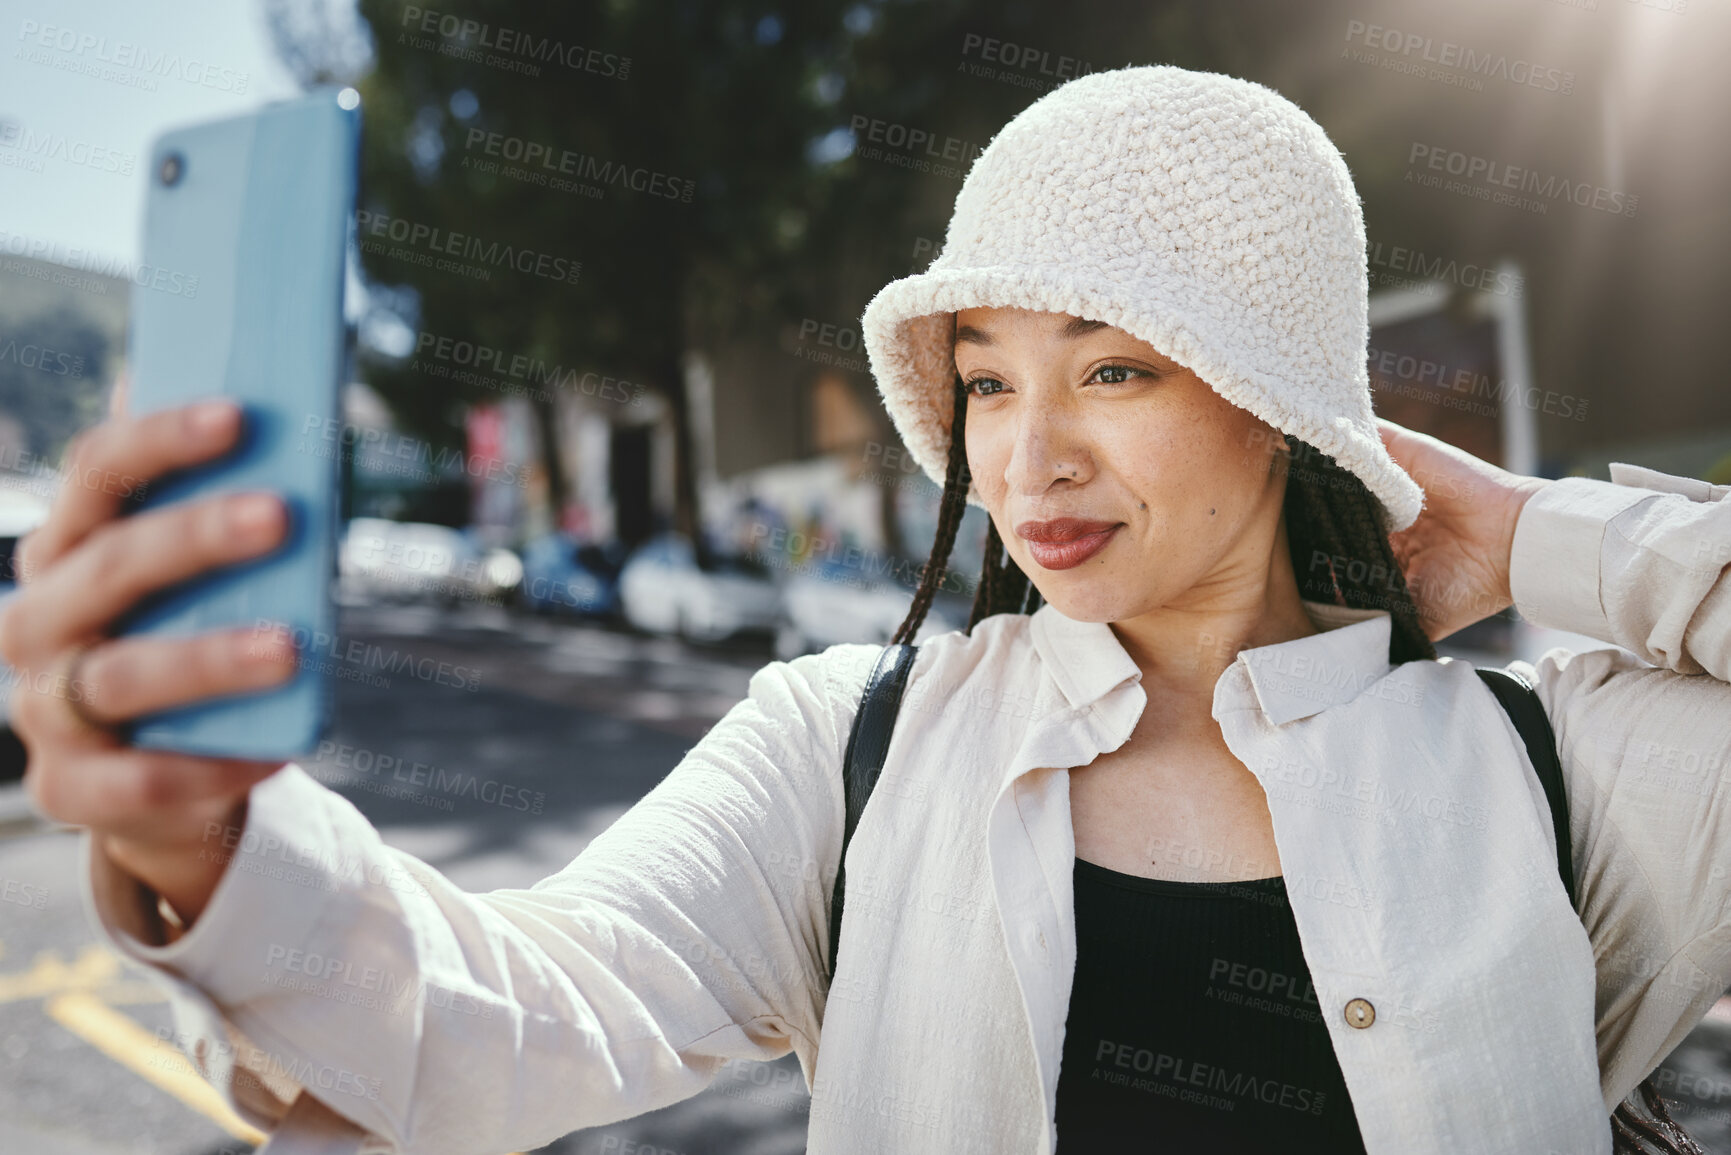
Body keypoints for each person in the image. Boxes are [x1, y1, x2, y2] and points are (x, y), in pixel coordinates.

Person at [3, 63, 1728, 1155]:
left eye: (1113, 365)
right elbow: (507, 1025)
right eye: (986, 382)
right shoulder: (850, 746)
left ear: (1281, 401)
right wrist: (205, 850)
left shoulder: (1551, 767)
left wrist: (1534, 536)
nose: (1027, 456)